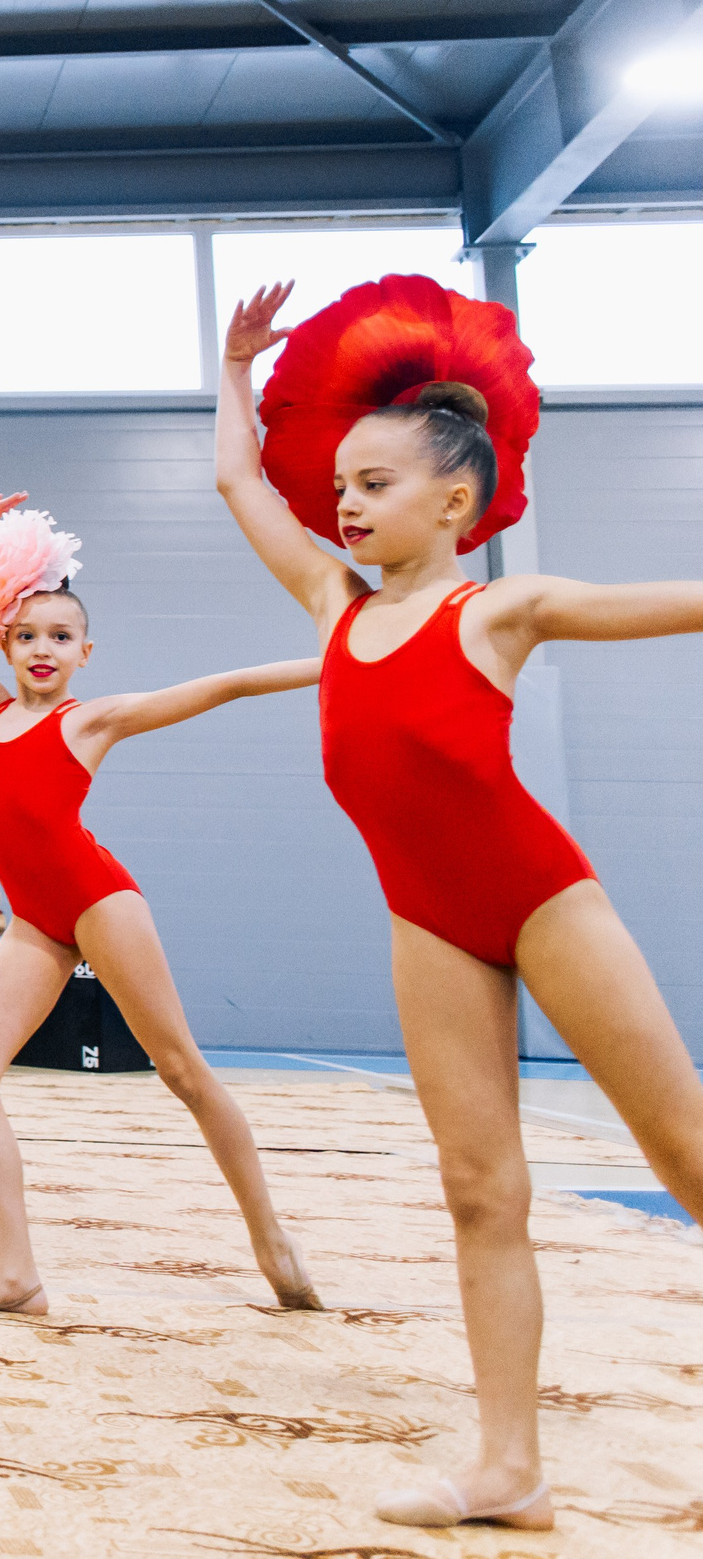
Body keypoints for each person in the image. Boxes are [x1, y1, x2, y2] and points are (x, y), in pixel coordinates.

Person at [215, 277, 703, 1532]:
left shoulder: (499, 610)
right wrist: (230, 374)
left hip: (541, 898)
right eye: (340, 489)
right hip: (427, 921)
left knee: (687, 1158)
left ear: (455, 500)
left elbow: (679, 602)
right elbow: (239, 490)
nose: (345, 504)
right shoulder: (332, 608)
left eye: (372, 486)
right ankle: (509, 1469)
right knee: (480, 1189)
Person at [0, 499, 323, 1317]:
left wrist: (338, 661)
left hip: (100, 901)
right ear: (0, 639)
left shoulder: (90, 720)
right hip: (34, 920)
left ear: (84, 653)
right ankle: (17, 1274)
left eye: (60, 637)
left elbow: (227, 686)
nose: (41, 649)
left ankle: (271, 1236)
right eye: (26, 634)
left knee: (180, 1070)